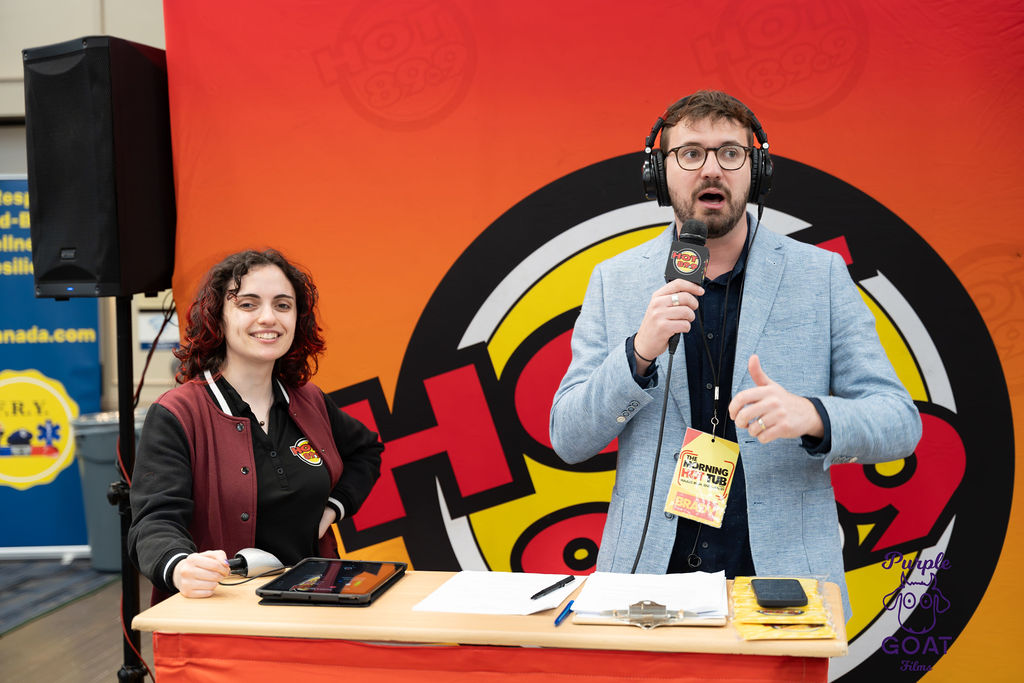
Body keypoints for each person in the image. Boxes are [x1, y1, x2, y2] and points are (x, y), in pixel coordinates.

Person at [548, 90, 921, 620]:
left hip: (783, 583)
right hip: (648, 580)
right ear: (660, 174)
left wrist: (813, 415)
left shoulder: (820, 276)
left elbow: (900, 423)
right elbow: (568, 438)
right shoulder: (616, 280)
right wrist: (638, 354)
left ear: (756, 170)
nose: (710, 169)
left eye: (729, 152)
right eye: (690, 153)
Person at [129, 249, 383, 601]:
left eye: (282, 305)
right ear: (218, 317)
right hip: (221, 615)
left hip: (314, 604)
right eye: (248, 304)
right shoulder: (178, 413)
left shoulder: (308, 400)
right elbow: (154, 522)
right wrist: (179, 566)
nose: (268, 318)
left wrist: (334, 507)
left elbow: (365, 451)